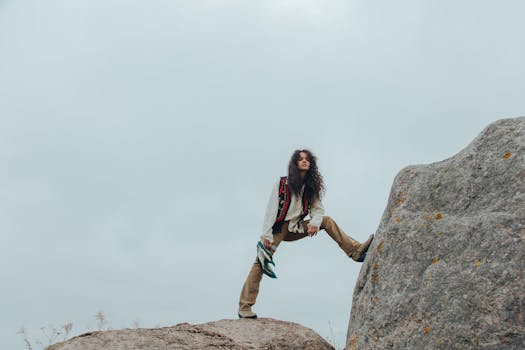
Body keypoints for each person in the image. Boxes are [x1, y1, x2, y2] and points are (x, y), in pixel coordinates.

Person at [238, 149, 374, 319]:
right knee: (260, 262)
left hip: (296, 227)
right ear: (295, 163)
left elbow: (318, 210)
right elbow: (270, 210)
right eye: (300, 159)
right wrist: (266, 235)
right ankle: (244, 307)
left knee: (327, 221)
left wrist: (315, 223)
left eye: (307, 159)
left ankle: (355, 251)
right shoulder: (282, 183)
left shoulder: (311, 187)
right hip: (278, 228)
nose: (304, 161)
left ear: (311, 164)